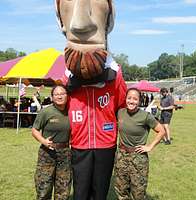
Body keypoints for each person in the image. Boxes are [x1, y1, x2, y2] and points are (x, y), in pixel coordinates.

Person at [55, 1, 127, 200]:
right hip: (80, 142)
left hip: (105, 142)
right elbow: (59, 100)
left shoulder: (114, 74)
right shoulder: (67, 77)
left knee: (100, 189)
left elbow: (121, 102)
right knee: (81, 190)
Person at [114, 88, 165, 200]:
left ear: (139, 101)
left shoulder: (145, 116)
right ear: (125, 99)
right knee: (121, 191)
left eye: (135, 99)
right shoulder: (120, 112)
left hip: (138, 158)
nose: (132, 101)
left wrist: (150, 147)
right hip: (121, 157)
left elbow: (161, 131)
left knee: (138, 193)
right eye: (129, 98)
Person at [32, 85, 72, 200]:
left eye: (62, 94)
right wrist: (43, 141)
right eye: (56, 94)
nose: (60, 96)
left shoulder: (71, 111)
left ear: (67, 95)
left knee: (63, 188)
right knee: (44, 186)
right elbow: (35, 130)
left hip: (65, 153)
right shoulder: (46, 112)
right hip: (47, 153)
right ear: (52, 97)